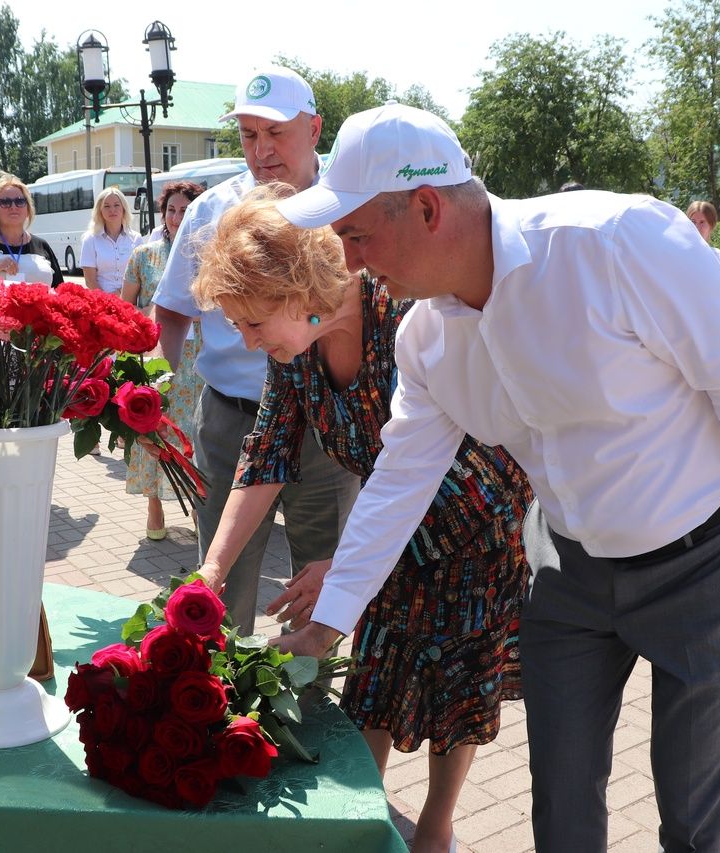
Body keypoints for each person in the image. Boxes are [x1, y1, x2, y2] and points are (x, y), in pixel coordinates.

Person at [270, 104, 720, 853]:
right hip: (568, 572)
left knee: (695, 824)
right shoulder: (426, 338)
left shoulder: (616, 242)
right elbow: (401, 477)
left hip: (702, 564)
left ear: (429, 208)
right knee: (562, 813)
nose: (351, 259)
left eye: (357, 233)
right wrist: (327, 621)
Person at [188, 186, 530, 853]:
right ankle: (362, 826)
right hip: (382, 537)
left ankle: (435, 830)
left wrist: (344, 566)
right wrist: (210, 570)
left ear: (298, 290)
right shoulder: (296, 350)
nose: (250, 341)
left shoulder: (404, 312)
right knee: (371, 686)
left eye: (254, 323)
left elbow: (465, 470)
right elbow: (265, 455)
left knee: (454, 697)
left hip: (475, 530)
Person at [149, 66, 361, 634]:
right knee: (223, 597)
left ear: (315, 129)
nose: (261, 149)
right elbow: (172, 312)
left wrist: (356, 563)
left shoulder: (354, 209)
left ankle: (307, 702)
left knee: (320, 589)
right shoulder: (211, 213)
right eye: (248, 134)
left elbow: (416, 470)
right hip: (233, 424)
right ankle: (225, 707)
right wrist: (150, 395)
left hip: (332, 439)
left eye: (276, 132)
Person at [121, 179, 205, 541]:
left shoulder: (209, 255)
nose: (176, 217)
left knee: (194, 433)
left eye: (185, 210)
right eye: (171, 209)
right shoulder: (145, 255)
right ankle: (154, 505)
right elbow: (126, 307)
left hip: (198, 359)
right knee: (154, 426)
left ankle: (202, 511)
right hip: (155, 355)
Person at [0, 174, 64, 285]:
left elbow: (59, 289)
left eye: (20, 201)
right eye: (5, 202)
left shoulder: (42, 245)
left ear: (28, 209)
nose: (13, 207)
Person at [81, 186, 140, 297]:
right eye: (106, 206)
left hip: (131, 301)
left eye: (116, 205)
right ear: (100, 211)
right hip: (101, 302)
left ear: (124, 208)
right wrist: (108, 301)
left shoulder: (136, 239)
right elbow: (90, 281)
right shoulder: (90, 239)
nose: (112, 210)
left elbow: (140, 276)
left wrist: (121, 295)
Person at [686, 199, 720, 263]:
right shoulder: (678, 253)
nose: (697, 227)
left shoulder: (718, 257)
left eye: (702, 222)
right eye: (693, 222)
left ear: (711, 225)